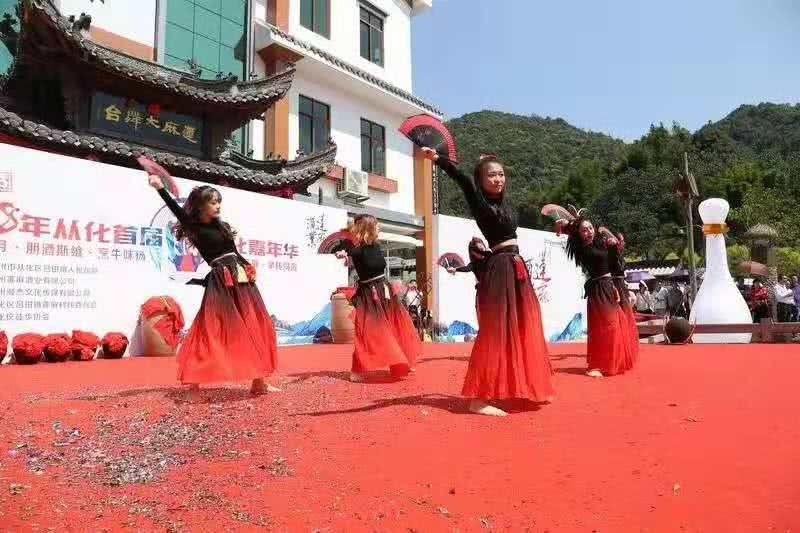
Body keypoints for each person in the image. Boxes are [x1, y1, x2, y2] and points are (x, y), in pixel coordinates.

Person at [422, 148, 554, 416]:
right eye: (491, 175)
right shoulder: (479, 202)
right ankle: (479, 398)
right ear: (481, 180)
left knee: (522, 327)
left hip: (515, 267)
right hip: (500, 269)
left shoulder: (505, 204)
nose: (498, 178)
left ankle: (518, 386)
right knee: (495, 331)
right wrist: (438, 159)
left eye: (501, 174)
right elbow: (462, 179)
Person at [148, 174, 279, 399]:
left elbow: (234, 252)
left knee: (253, 326)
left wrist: (248, 267)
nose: (218, 206)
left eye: (219, 202)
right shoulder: (194, 227)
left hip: (241, 280)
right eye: (213, 202)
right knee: (210, 329)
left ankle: (259, 382)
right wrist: (160, 187)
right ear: (201, 206)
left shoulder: (222, 226)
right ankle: (193, 386)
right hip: (220, 281)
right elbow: (175, 209)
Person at [334, 215, 421, 382]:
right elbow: (345, 247)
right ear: (368, 229)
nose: (379, 228)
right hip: (369, 294)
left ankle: (399, 364)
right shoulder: (356, 249)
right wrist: (343, 254)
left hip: (385, 290)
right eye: (377, 226)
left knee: (395, 326)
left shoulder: (375, 245)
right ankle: (357, 370)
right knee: (368, 331)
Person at [563, 215, 634, 378]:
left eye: (589, 228)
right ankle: (599, 364)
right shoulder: (581, 249)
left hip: (608, 285)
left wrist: (613, 247)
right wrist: (568, 225)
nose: (588, 231)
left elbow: (613, 265)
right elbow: (572, 233)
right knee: (604, 327)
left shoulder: (599, 244)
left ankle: (613, 362)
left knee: (614, 324)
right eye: (584, 230)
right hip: (597, 289)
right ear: (579, 234)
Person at [608, 233, 638, 368]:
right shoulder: (611, 253)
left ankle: (625, 344)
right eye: (621, 240)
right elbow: (617, 269)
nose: (623, 243)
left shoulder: (618, 254)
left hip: (621, 285)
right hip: (615, 285)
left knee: (625, 316)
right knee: (618, 316)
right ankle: (618, 345)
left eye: (623, 240)